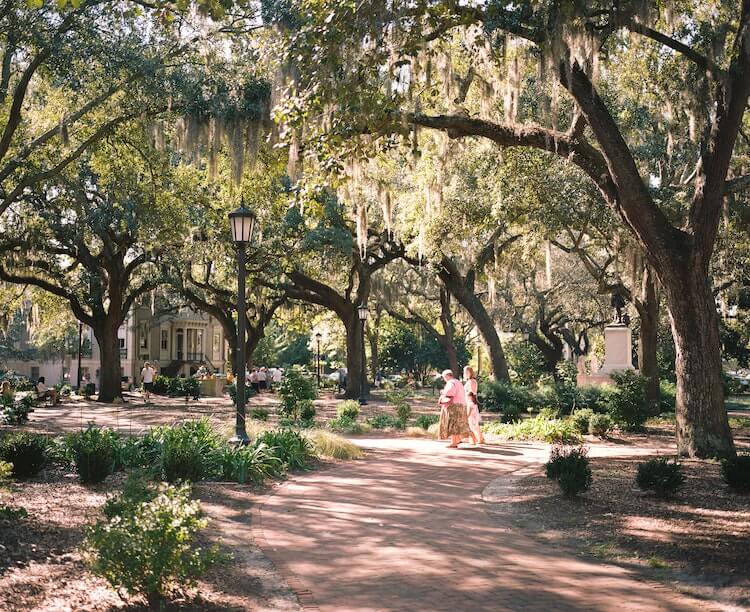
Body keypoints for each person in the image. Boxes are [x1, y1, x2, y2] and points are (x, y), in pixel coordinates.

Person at [438, 369, 469, 448]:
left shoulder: (451, 383)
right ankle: (457, 439)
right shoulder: (458, 382)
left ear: (447, 376)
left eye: (444, 377)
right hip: (461, 404)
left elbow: (450, 393)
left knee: (453, 423)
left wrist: (443, 392)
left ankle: (454, 442)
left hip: (454, 405)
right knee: (458, 423)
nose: (444, 379)